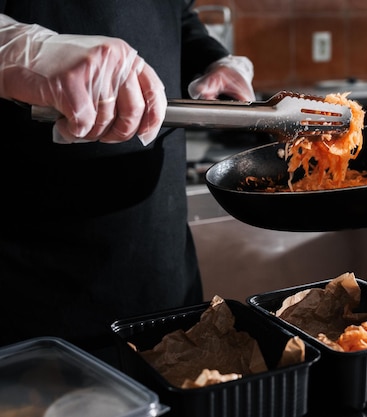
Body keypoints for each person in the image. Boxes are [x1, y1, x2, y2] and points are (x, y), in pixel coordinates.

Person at [0, 1, 255, 353]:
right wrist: (17, 48)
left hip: (161, 266)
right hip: (29, 288)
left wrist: (213, 59)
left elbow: (175, 13)